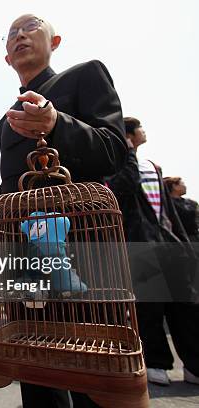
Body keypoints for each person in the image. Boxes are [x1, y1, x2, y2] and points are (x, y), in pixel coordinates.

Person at [0, 14, 127, 407]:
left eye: (30, 27)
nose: (20, 35)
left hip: (84, 251)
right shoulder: (5, 120)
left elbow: (114, 151)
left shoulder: (85, 75)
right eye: (12, 34)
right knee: (36, 366)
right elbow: (10, 189)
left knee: (90, 366)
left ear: (55, 41)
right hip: (27, 256)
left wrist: (57, 123)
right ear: (7, 57)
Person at [108, 117, 199, 386]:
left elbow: (167, 211)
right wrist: (129, 153)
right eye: (140, 128)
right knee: (149, 308)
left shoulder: (152, 167)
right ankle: (157, 362)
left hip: (170, 245)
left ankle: (193, 364)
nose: (144, 131)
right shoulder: (120, 165)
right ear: (129, 134)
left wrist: (183, 242)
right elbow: (124, 186)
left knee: (186, 307)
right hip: (141, 246)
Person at [165, 177, 199, 242]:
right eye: (182, 184)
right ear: (174, 186)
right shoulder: (166, 203)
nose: (185, 186)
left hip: (194, 238)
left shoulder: (192, 203)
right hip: (176, 240)